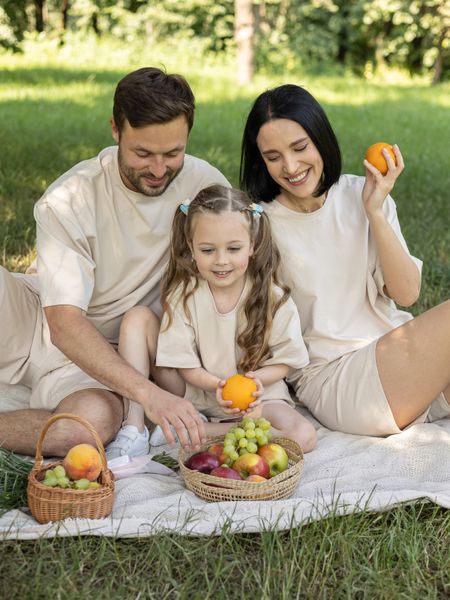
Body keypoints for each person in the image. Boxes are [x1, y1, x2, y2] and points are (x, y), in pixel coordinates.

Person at [0, 67, 229, 457]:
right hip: (37, 315)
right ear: (115, 129)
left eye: (173, 153)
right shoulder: (70, 198)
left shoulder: (205, 188)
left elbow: (243, 266)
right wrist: (149, 395)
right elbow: (64, 323)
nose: (159, 170)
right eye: (143, 153)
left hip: (106, 356)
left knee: (85, 429)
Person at [239, 83, 450, 437]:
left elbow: (407, 293)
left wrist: (375, 211)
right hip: (338, 380)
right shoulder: (259, 224)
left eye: (299, 147)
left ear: (320, 138)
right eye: (273, 157)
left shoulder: (361, 193)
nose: (290, 166)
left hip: (404, 360)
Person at [124, 184, 315, 451]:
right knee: (136, 318)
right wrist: (216, 385)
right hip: (197, 393)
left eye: (233, 248)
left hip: (261, 398)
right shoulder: (186, 294)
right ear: (191, 247)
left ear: (253, 245)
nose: (221, 261)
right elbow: (184, 365)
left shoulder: (272, 296)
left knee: (304, 436)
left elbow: (286, 361)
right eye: (208, 250)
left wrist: (256, 381)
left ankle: (202, 430)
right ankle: (136, 427)